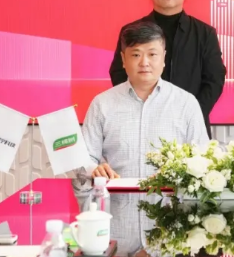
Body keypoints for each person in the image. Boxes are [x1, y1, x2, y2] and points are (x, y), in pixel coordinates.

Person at [109, 0, 226, 138]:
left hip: (190, 127)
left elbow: (214, 80)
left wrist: (190, 113)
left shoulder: (204, 33)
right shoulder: (131, 31)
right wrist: (141, 107)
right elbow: (119, 73)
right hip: (142, 122)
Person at [84, 21, 210, 179]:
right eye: (136, 55)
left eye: (152, 54)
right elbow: (85, 159)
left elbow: (202, 159)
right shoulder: (102, 104)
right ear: (123, 59)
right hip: (116, 194)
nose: (144, 63)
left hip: (170, 196)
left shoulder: (186, 103)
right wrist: (94, 169)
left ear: (163, 57)